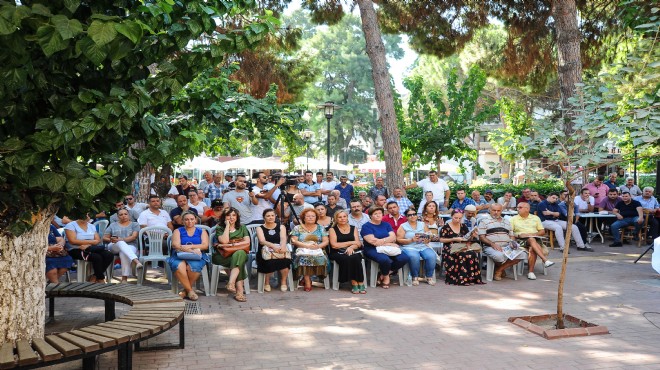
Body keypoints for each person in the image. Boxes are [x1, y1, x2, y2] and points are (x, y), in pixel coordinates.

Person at [361, 207, 410, 289]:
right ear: (370, 216)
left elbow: (393, 237)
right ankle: (386, 277)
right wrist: (388, 243)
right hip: (371, 248)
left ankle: (383, 273)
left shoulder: (386, 224)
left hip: (388, 247)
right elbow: (373, 242)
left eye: (380, 213)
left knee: (404, 258)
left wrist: (384, 242)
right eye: (375, 214)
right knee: (385, 260)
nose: (378, 215)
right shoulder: (366, 226)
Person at [479, 203, 528, 281]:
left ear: (501, 211)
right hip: (490, 246)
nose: (496, 212)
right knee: (499, 256)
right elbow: (481, 237)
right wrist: (492, 244)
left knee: (523, 254)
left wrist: (512, 242)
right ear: (489, 210)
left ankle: (499, 270)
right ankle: (500, 269)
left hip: (507, 246)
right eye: (494, 210)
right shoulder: (484, 221)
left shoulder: (507, 221)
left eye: (498, 210)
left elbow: (511, 235)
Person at [168, 211, 209, 301]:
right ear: (182, 221)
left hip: (197, 256)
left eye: (192, 219)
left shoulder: (202, 231)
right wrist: (189, 250)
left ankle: (185, 291)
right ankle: (190, 291)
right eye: (186, 220)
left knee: (193, 267)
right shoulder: (178, 231)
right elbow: (175, 245)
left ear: (195, 220)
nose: (189, 221)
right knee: (179, 266)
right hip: (180, 255)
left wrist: (190, 246)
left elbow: (205, 245)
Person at [65, 212, 114, 283]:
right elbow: (72, 241)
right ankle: (101, 278)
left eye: (88, 215)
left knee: (109, 255)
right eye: (85, 214)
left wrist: (88, 245)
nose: (87, 216)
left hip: (91, 247)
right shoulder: (70, 225)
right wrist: (91, 242)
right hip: (76, 249)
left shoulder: (91, 226)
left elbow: (97, 240)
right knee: (97, 257)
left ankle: (95, 276)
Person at [510, 202, 555, 280]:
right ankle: (544, 260)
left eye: (520, 207)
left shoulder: (535, 218)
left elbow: (542, 231)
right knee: (531, 239)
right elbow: (510, 232)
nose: (518, 209)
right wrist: (519, 235)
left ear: (527, 209)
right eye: (517, 207)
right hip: (521, 240)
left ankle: (531, 272)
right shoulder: (513, 219)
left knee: (532, 247)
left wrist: (532, 234)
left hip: (535, 239)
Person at [214, 207, 250, 301]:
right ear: (224, 217)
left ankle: (231, 282)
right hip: (222, 256)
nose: (231, 217)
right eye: (228, 215)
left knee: (239, 254)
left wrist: (232, 244)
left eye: (234, 215)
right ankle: (239, 292)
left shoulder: (242, 227)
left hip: (238, 255)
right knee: (239, 261)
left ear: (237, 217)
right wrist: (227, 226)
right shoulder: (220, 228)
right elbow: (224, 241)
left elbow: (247, 242)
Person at [439, 210, 484, 286]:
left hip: (463, 246)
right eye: (455, 218)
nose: (457, 220)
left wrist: (472, 235)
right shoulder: (446, 227)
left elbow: (467, 238)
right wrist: (454, 239)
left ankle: (471, 278)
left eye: (460, 218)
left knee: (472, 254)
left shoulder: (463, 226)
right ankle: (462, 279)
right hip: (450, 249)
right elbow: (441, 239)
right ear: (451, 217)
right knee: (462, 255)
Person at [290, 208, 329, 292]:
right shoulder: (298, 228)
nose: (310, 218)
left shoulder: (320, 228)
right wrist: (306, 245)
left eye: (313, 216)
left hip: (317, 249)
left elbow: (326, 241)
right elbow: (294, 240)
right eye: (308, 216)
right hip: (301, 249)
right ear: (304, 218)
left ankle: (307, 278)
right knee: (304, 258)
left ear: (316, 218)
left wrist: (318, 246)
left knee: (321, 258)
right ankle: (307, 281)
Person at [328, 210, 366, 294]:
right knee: (348, 258)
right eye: (340, 217)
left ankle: (360, 282)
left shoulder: (353, 228)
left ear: (347, 217)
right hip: (337, 252)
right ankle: (355, 283)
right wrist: (351, 243)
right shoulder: (332, 229)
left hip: (353, 251)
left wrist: (351, 247)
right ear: (336, 219)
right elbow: (334, 245)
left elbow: (358, 243)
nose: (342, 219)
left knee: (355, 257)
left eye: (344, 216)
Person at [396, 209, 436, 286]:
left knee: (431, 256)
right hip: (409, 246)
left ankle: (429, 277)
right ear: (406, 217)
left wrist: (427, 239)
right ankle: (415, 277)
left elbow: (429, 235)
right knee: (414, 256)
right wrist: (411, 240)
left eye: (414, 214)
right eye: (410, 215)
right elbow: (399, 240)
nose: (412, 216)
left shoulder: (422, 224)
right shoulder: (403, 226)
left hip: (422, 246)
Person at [255, 209, 291, 292]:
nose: (270, 217)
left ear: (275, 216)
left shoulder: (281, 227)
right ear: (264, 217)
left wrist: (282, 247)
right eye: (268, 216)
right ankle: (266, 282)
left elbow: (283, 238)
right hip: (265, 251)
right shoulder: (260, 228)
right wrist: (273, 246)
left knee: (286, 261)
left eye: (272, 215)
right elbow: (262, 241)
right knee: (269, 262)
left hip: (279, 250)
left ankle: (283, 282)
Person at [104, 208, 142, 283]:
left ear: (129, 215)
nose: (123, 216)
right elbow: (104, 238)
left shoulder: (135, 224)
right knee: (120, 242)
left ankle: (124, 279)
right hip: (114, 245)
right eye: (121, 215)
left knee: (123, 252)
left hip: (131, 245)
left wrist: (121, 239)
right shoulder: (113, 225)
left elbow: (133, 237)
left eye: (125, 214)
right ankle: (136, 261)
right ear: (118, 217)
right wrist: (112, 239)